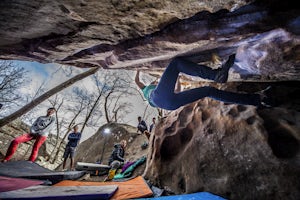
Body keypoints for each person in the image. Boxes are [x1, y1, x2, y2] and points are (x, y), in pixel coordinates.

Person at [135, 54, 271, 110]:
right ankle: (215, 74)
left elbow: (176, 91)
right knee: (176, 62)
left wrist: (177, 78)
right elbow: (137, 81)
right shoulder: (147, 91)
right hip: (160, 99)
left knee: (208, 91)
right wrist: (137, 70)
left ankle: (257, 100)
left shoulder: (159, 89)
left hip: (171, 105)